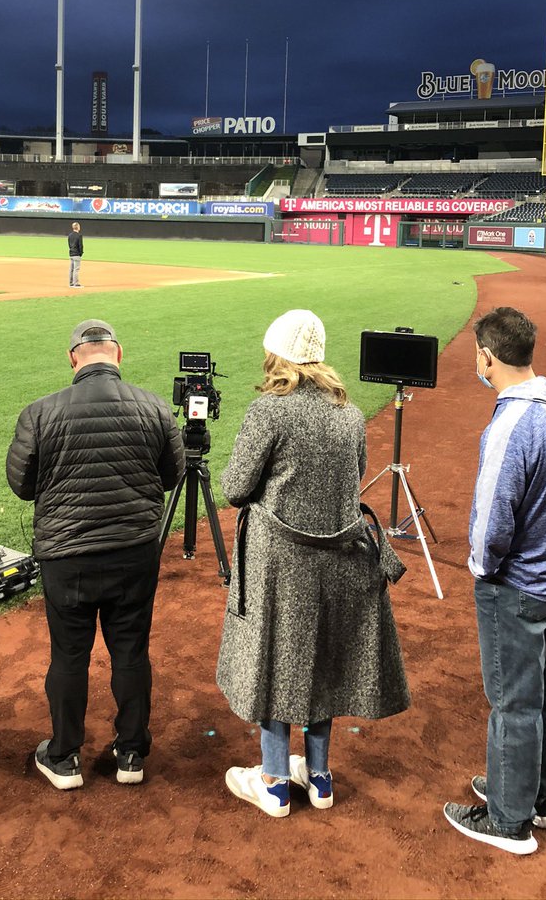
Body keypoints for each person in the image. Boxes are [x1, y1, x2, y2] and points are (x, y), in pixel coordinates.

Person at [217, 309, 410, 818]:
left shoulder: (269, 411)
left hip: (279, 566)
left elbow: (234, 488)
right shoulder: (348, 412)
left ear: (277, 354)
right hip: (340, 561)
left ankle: (274, 781)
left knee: (275, 661)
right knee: (323, 660)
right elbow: (354, 476)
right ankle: (320, 778)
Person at [6, 318, 184, 790]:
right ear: (118, 354)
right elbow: (172, 475)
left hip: (67, 557)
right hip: (134, 551)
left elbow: (21, 484)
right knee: (131, 652)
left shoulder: (39, 413)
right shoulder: (154, 407)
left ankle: (64, 756)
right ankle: (132, 753)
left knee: (69, 655)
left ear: (73, 359)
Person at [443, 306, 546, 856]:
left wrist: (483, 570)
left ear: (487, 356)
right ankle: (534, 796)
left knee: (513, 703)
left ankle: (508, 820)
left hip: (520, 586)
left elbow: (493, 520)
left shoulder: (511, 424)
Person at [67, 221, 84, 287]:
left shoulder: (70, 235)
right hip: (77, 254)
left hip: (71, 253)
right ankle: (76, 283)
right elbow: (80, 246)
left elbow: (69, 244)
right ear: (78, 227)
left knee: (71, 269)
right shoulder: (79, 235)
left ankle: (71, 283)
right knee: (76, 269)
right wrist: (81, 253)